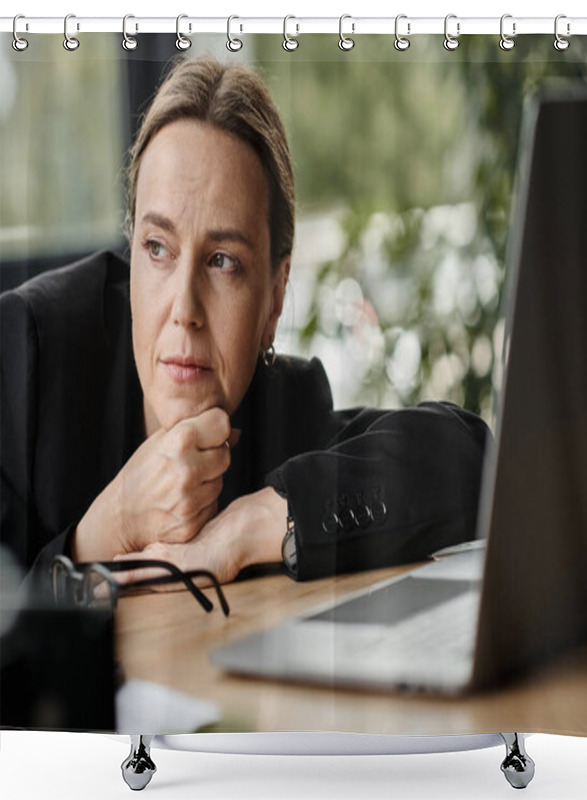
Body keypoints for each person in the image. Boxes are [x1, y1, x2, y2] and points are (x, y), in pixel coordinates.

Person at [0, 58, 489, 591]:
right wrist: (109, 526)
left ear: (274, 300)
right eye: (157, 248)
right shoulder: (27, 356)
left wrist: (248, 528)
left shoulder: (285, 405)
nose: (184, 307)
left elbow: (468, 457)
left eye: (223, 261)